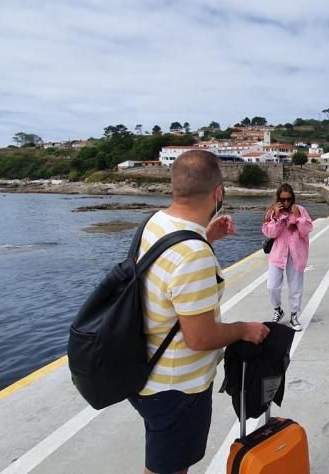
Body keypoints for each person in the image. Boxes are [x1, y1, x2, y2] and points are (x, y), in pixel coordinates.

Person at [130, 150, 270, 474]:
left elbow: (167, 269)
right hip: (177, 388)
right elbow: (201, 337)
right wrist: (243, 329)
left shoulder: (153, 223)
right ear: (218, 192)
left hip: (143, 370)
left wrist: (206, 237)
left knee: (163, 463)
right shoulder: (193, 254)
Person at [263, 183, 313, 332]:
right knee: (272, 286)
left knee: (296, 287)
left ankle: (293, 315)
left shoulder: (300, 210)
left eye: (289, 199)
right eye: (283, 199)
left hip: (296, 254)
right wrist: (277, 218)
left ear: (293, 198)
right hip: (278, 254)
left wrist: (298, 218)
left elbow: (307, 229)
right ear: (278, 199)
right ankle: (277, 309)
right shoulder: (272, 213)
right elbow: (269, 233)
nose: (286, 203)